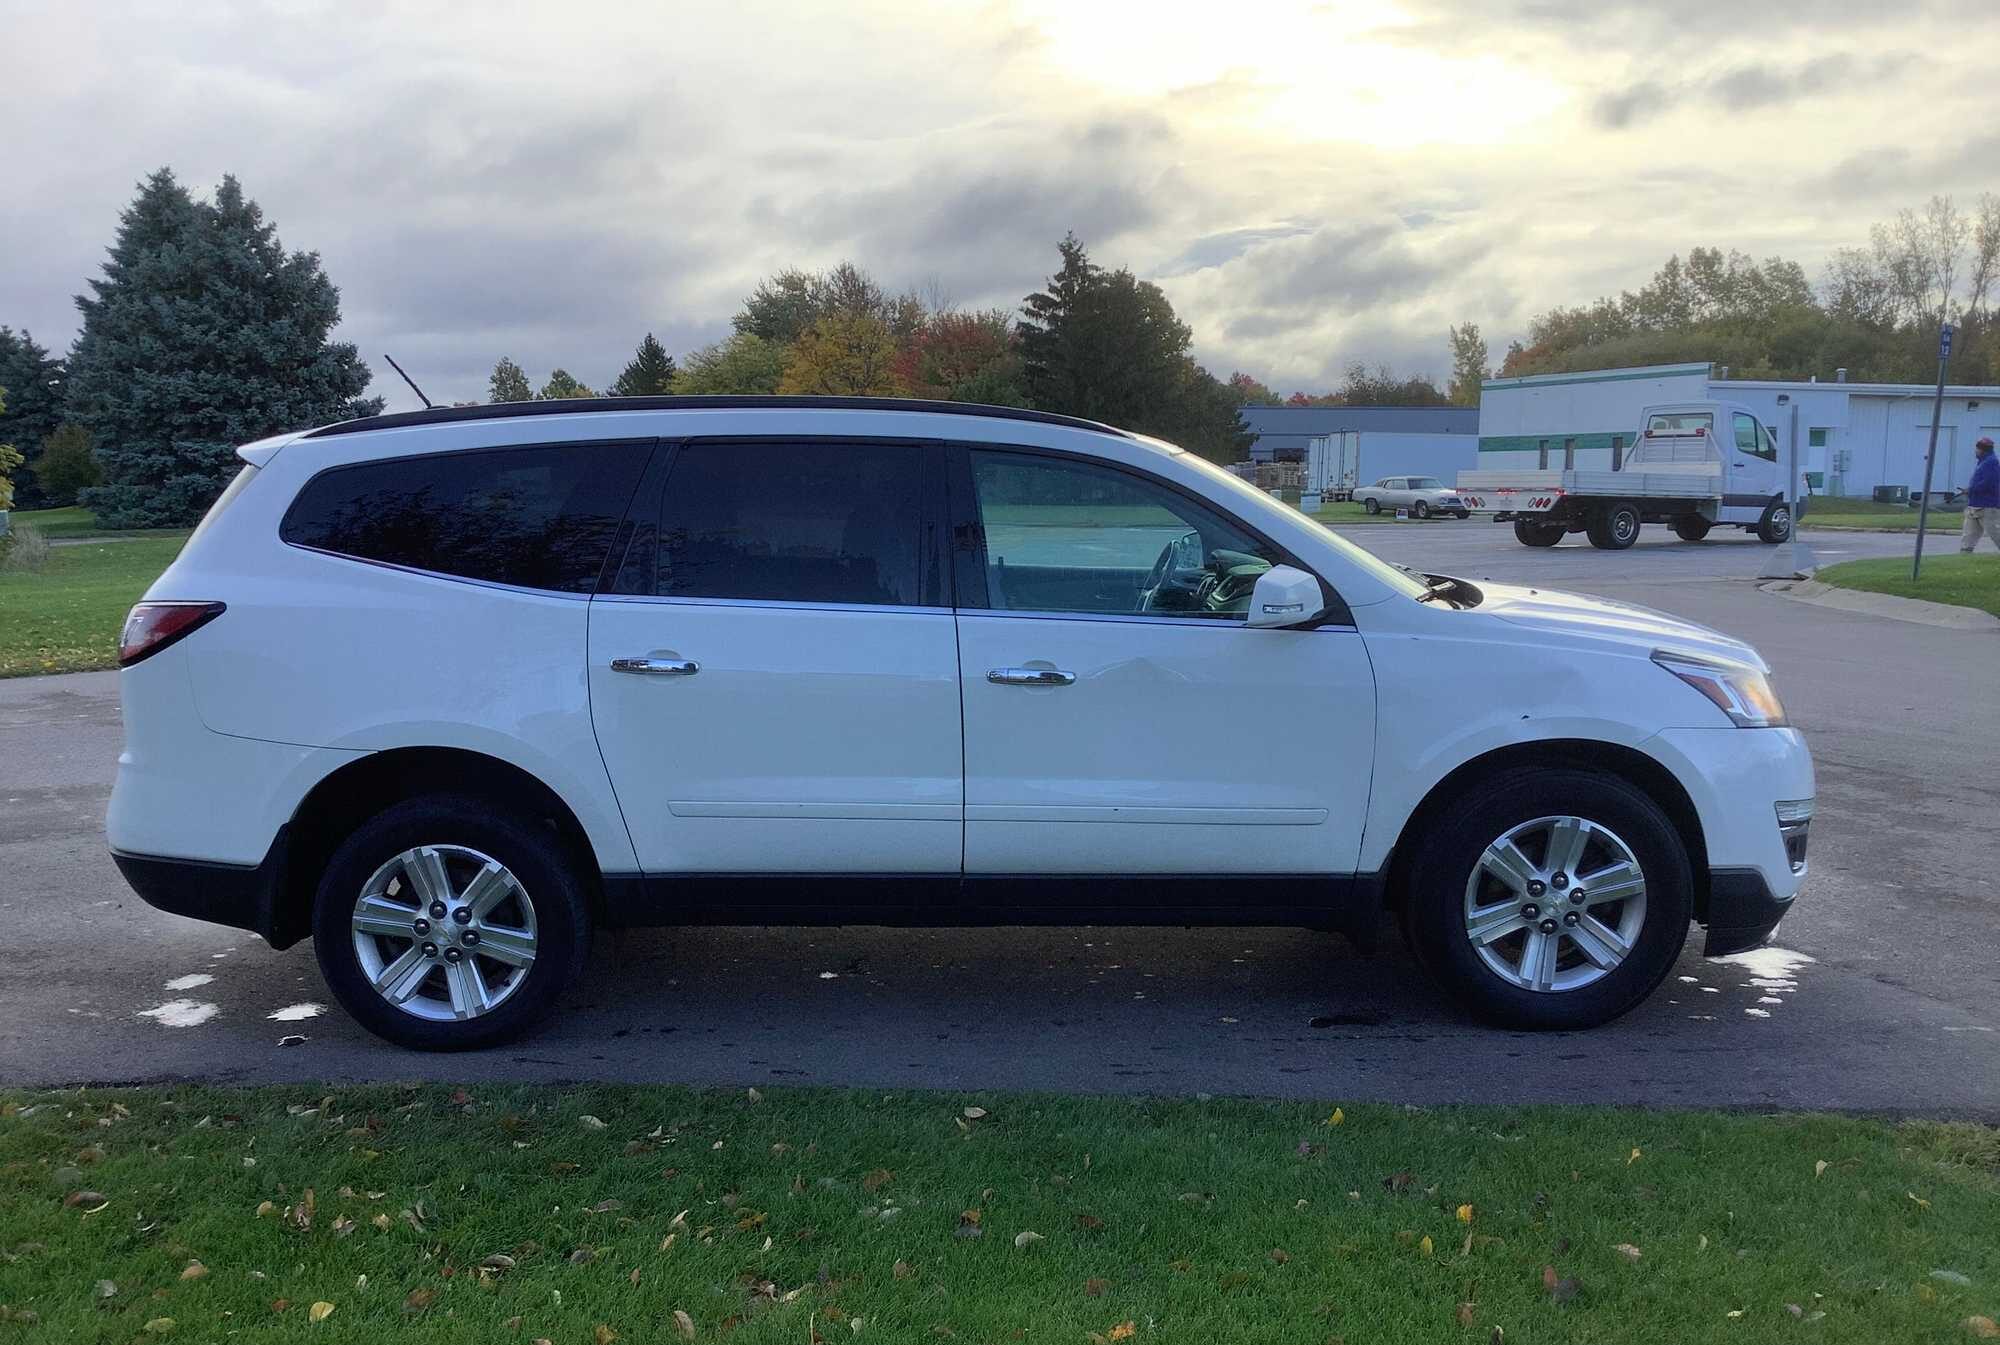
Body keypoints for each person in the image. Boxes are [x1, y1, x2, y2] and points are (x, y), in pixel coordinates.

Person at [1964, 436, 1999, 554]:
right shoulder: (1983, 462)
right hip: (1974, 505)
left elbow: (1989, 482)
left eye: (1977, 449)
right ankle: (1964, 554)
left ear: (1983, 450)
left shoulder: (1991, 462)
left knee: (1995, 533)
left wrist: (1971, 489)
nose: (1975, 451)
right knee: (1968, 534)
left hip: (1987, 506)